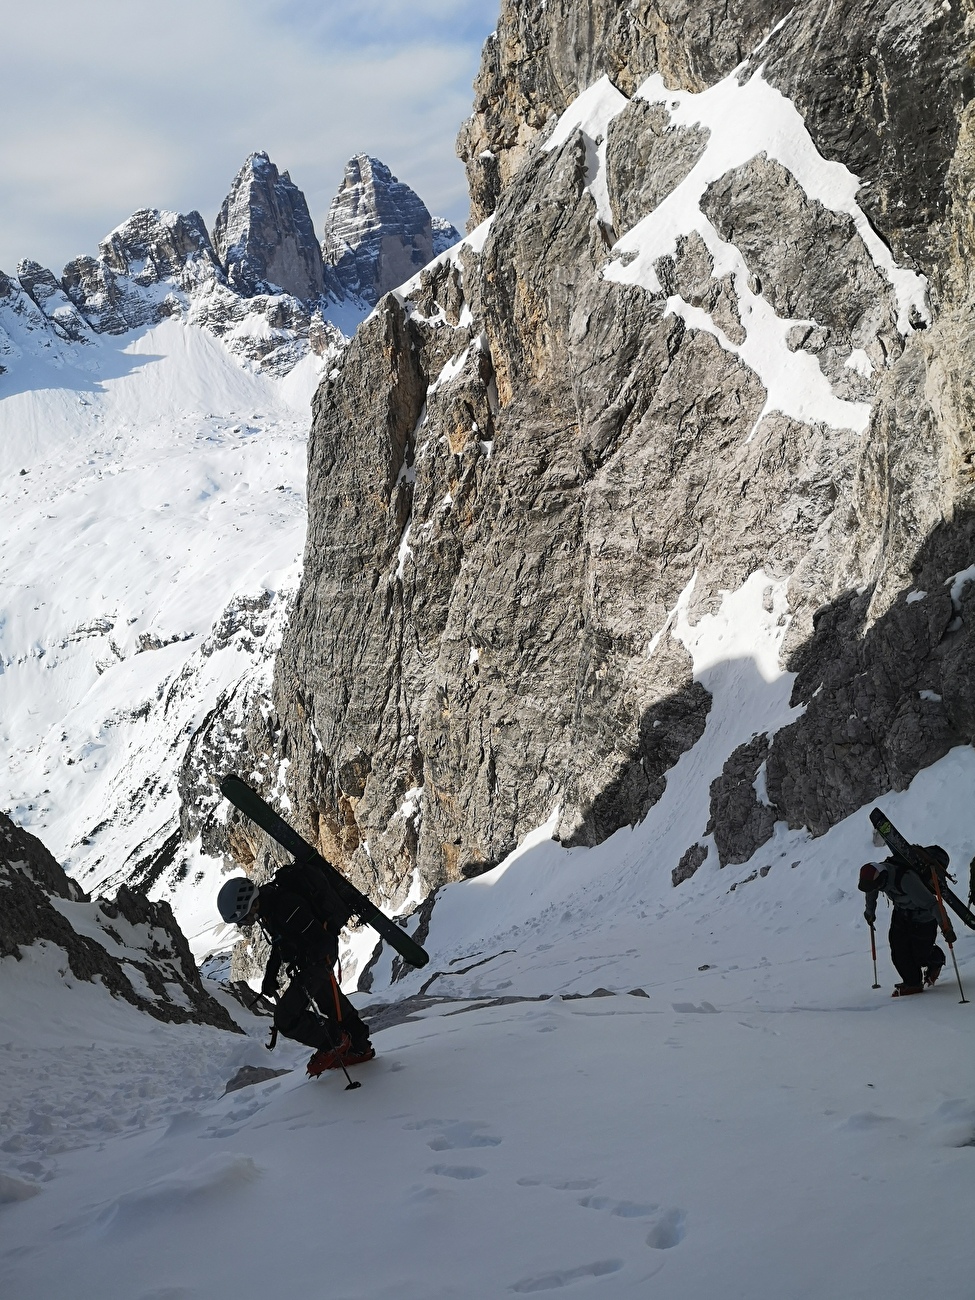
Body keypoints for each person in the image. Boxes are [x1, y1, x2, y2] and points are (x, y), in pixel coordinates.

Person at [217, 872, 375, 1075]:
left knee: (286, 1017)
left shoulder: (285, 907)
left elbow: (320, 940)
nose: (243, 924)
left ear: (251, 905)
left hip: (318, 960)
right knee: (330, 1002)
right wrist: (270, 975)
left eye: (243, 918)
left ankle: (336, 1041)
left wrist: (307, 962)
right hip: (314, 961)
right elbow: (279, 941)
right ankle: (360, 1046)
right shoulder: (270, 905)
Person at [858, 844, 954, 996]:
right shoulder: (876, 879)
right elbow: (871, 891)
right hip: (901, 915)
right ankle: (913, 982)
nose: (875, 888)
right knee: (898, 950)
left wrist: (946, 927)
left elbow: (932, 904)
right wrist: (869, 912)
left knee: (920, 954)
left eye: (876, 885)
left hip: (923, 919)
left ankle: (936, 960)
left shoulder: (906, 880)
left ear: (882, 878)